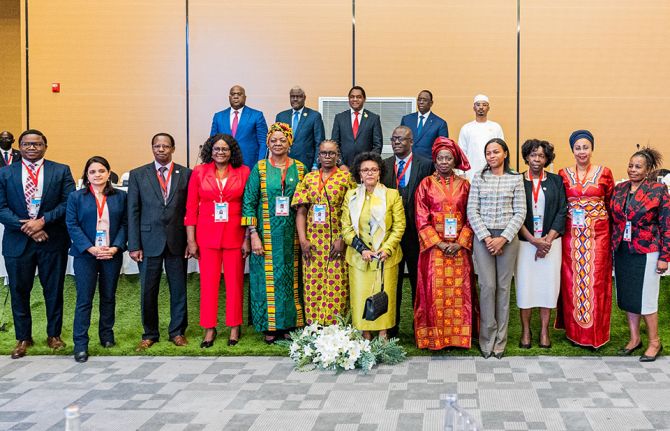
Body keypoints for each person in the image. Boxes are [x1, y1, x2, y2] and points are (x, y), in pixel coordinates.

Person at [0, 129, 75, 359]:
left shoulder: (61, 170)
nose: (32, 148)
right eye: (26, 144)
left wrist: (42, 221)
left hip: (52, 240)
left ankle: (54, 335)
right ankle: (23, 338)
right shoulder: (5, 173)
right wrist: (28, 228)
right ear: (19, 147)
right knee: (19, 290)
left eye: (37, 144)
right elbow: (1, 207)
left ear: (45, 146)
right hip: (17, 242)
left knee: (53, 290)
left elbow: (69, 202)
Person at [242, 122, 306, 344]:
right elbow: (249, 202)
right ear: (268, 143)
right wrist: (253, 234)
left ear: (290, 142)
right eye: (273, 140)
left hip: (292, 238)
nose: (278, 143)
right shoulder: (259, 168)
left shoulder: (300, 168)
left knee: (290, 279)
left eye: (282, 139)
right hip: (265, 237)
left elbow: (305, 203)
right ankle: (269, 326)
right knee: (266, 281)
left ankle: (289, 324)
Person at [127, 133, 192, 351]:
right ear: (152, 148)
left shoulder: (186, 174)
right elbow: (133, 211)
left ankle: (178, 332)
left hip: (177, 240)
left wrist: (190, 240)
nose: (161, 149)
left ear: (173, 148)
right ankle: (150, 334)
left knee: (178, 289)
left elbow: (190, 210)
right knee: (148, 290)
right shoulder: (138, 174)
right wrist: (134, 244)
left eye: (165, 146)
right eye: (157, 146)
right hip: (147, 241)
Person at [185, 134, 250, 347]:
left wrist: (248, 238)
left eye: (224, 149)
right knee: (208, 284)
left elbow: (249, 206)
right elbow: (191, 207)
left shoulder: (244, 172)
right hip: (207, 236)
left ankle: (234, 327)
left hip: (235, 235)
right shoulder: (199, 172)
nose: (220, 152)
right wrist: (191, 240)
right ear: (210, 151)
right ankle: (209, 328)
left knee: (234, 284)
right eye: (216, 149)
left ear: (232, 152)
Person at [414, 138, 475, 350]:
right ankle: (435, 339)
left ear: (455, 160)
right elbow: (421, 218)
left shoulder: (465, 185)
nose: (443, 162)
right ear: (435, 159)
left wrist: (460, 242)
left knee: (460, 292)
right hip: (435, 251)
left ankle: (458, 338)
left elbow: (471, 216)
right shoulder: (425, 184)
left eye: (448, 158)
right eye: (440, 158)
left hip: (459, 248)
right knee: (434, 293)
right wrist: (439, 244)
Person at [467, 138, 525, 359]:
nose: (491, 156)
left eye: (495, 152)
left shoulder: (516, 179)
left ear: (505, 153)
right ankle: (486, 339)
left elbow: (520, 212)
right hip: (483, 239)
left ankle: (500, 341)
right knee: (487, 286)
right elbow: (472, 210)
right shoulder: (479, 178)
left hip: (508, 238)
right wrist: (488, 238)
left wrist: (503, 238)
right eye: (488, 153)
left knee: (503, 288)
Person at [66, 156, 127, 363]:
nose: (97, 175)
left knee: (108, 296)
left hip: (111, 254)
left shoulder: (120, 196)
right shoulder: (76, 197)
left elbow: (125, 224)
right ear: (86, 175)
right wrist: (90, 248)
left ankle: (106, 336)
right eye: (92, 172)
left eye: (101, 171)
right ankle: (80, 344)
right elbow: (72, 225)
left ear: (109, 173)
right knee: (85, 299)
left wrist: (116, 247)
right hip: (86, 255)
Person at [557, 130, 614, 349]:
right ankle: (575, 334)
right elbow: (561, 205)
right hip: (571, 235)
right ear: (572, 150)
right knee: (572, 281)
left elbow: (610, 202)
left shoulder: (605, 172)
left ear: (592, 149)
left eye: (585, 147)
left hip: (598, 235)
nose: (582, 151)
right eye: (578, 147)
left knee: (596, 282)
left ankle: (595, 335)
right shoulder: (563, 174)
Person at [611, 147, 669, 362]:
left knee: (646, 299)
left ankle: (655, 342)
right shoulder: (620, 189)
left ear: (647, 170)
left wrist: (665, 257)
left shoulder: (658, 190)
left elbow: (667, 225)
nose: (632, 170)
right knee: (628, 297)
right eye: (630, 165)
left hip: (647, 251)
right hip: (623, 250)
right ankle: (635, 339)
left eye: (638, 167)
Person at [341, 152, 406, 340]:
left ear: (380, 172)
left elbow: (399, 226)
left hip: (386, 258)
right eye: (365, 170)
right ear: (359, 174)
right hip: (359, 259)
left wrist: (387, 249)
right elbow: (346, 227)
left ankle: (383, 336)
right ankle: (365, 336)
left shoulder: (391, 195)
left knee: (384, 297)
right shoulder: (351, 195)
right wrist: (362, 249)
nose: (369, 173)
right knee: (362, 297)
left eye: (373, 169)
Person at [292, 140, 355, 325]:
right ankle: (314, 329)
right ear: (318, 156)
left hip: (337, 242)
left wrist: (343, 238)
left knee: (337, 287)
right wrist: (303, 240)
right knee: (313, 286)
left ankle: (336, 330)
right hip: (312, 244)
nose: (327, 156)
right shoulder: (308, 178)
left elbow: (352, 212)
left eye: (332, 153)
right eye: (324, 153)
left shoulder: (346, 179)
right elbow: (301, 211)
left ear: (338, 156)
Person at [380, 126, 434, 337]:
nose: (396, 142)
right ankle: (391, 330)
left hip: (416, 234)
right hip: (391, 235)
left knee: (417, 282)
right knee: (392, 282)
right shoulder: (384, 166)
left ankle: (419, 329)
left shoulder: (426, 164)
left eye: (401, 139)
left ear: (411, 142)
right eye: (393, 139)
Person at [514, 139, 567, 349]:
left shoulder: (556, 181)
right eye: (533, 155)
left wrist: (547, 239)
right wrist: (533, 240)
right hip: (525, 244)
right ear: (526, 157)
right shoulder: (517, 181)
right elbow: (514, 214)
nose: (537, 159)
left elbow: (563, 210)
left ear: (547, 159)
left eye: (542, 156)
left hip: (551, 244)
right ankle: (526, 331)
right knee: (525, 287)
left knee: (548, 287)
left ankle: (544, 330)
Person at [210, 85, 268, 168]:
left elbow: (263, 143)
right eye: (233, 94)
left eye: (239, 94)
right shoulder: (218, 116)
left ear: (245, 97)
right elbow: (212, 142)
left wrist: (260, 165)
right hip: (223, 164)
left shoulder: (257, 115)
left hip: (249, 164)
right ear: (229, 97)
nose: (236, 97)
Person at [275, 86, 326, 171]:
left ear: (304, 98)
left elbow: (319, 143)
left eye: (298, 96)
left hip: (306, 163)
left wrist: (316, 164)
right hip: (283, 163)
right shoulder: (281, 116)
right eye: (292, 96)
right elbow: (277, 141)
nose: (295, 99)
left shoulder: (314, 116)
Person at [331, 86, 383, 168]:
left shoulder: (373, 118)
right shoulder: (339, 118)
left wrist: (369, 164)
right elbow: (334, 144)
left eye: (358, 97)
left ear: (364, 99)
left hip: (366, 168)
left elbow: (377, 145)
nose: (355, 99)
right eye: (352, 97)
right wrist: (340, 164)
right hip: (343, 167)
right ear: (348, 99)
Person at [458, 94, 505, 181]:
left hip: (493, 172)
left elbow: (501, 152)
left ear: (488, 108)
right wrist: (461, 173)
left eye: (484, 105)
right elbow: (461, 153)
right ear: (474, 108)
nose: (481, 107)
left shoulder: (496, 127)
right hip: (470, 174)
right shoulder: (466, 128)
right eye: (478, 104)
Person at [400, 90, 449, 160]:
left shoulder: (440, 123)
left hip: (428, 164)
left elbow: (443, 148)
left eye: (425, 100)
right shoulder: (406, 119)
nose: (421, 102)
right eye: (419, 100)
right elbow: (400, 140)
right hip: (408, 162)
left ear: (431, 103)